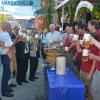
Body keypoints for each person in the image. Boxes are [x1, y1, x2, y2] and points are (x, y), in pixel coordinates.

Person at [0, 22, 15, 97]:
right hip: (6, 55)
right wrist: (16, 40)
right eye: (10, 27)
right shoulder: (6, 35)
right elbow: (11, 46)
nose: (11, 29)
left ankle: (7, 88)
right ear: (6, 28)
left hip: (4, 55)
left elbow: (3, 44)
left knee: (8, 73)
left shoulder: (1, 33)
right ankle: (4, 91)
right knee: (6, 74)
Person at [87, 20, 100, 100]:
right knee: (94, 90)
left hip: (98, 70)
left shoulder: (98, 34)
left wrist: (94, 57)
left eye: (88, 25)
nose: (87, 27)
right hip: (97, 69)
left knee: (95, 90)